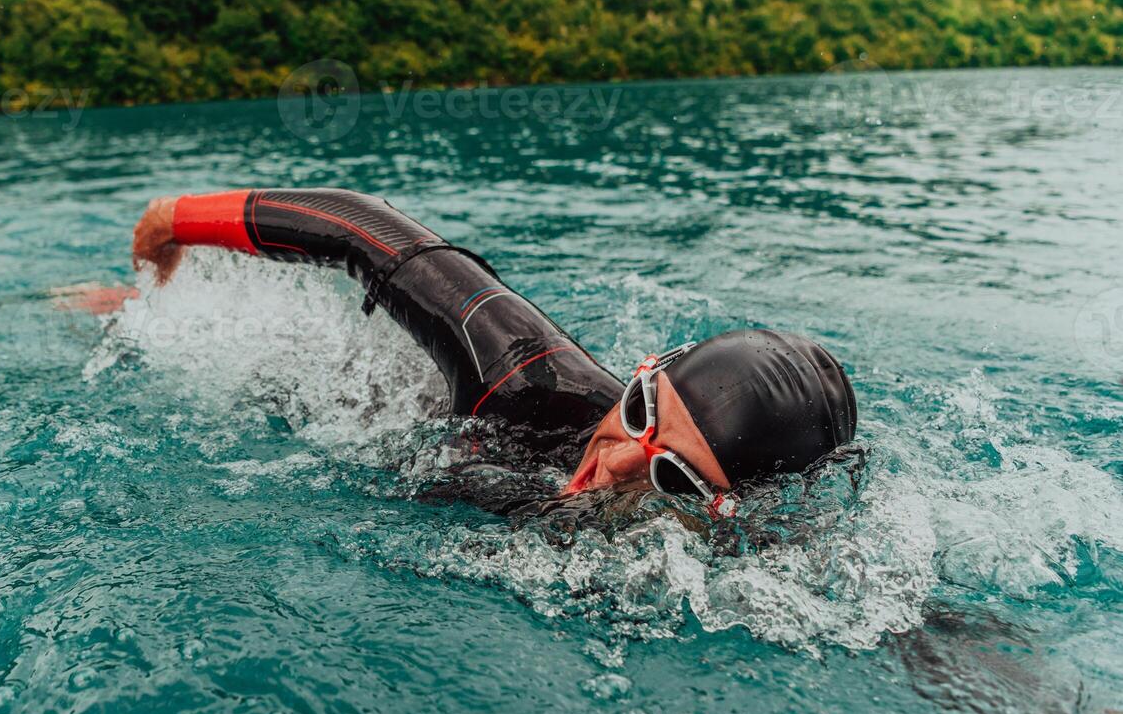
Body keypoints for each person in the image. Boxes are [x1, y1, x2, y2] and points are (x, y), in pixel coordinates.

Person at [121, 187, 857, 512]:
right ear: (644, 373)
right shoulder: (522, 374)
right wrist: (170, 221)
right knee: (135, 327)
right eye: (639, 413)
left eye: (677, 480)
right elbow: (359, 225)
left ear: (725, 509)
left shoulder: (738, 563)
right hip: (356, 404)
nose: (621, 459)